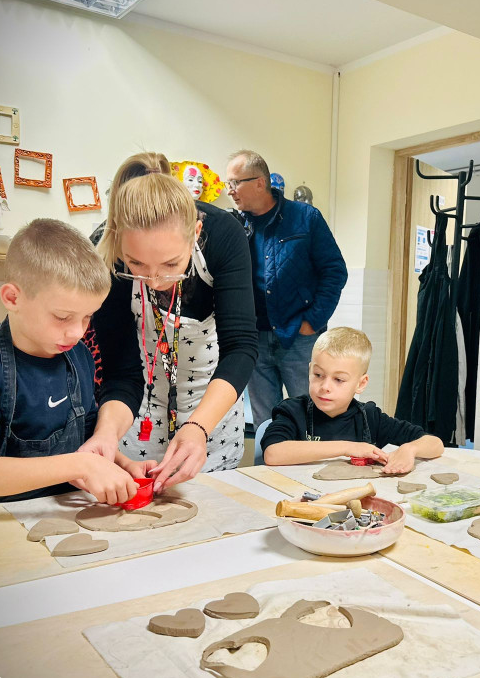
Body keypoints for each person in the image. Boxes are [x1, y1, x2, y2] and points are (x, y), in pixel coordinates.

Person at [0, 219, 142, 510]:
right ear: (13, 298)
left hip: (48, 513)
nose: (78, 332)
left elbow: (87, 438)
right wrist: (82, 466)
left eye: (87, 316)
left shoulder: (78, 355)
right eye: (63, 317)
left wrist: (121, 465)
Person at [81, 153, 257, 489]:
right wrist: (105, 434)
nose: (156, 280)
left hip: (211, 407)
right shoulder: (104, 250)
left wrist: (197, 428)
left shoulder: (224, 235)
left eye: (170, 263)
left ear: (196, 232)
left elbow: (241, 347)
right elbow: (121, 370)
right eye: (136, 264)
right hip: (136, 411)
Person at [225, 149, 347, 431]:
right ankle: (267, 472)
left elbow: (335, 271)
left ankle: (313, 474)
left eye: (235, 183)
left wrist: (312, 322)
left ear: (259, 182)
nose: (230, 191)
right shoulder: (234, 225)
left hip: (299, 337)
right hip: (253, 339)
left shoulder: (305, 218)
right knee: (266, 423)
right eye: (227, 184)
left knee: (312, 419)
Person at [261, 327, 443, 473]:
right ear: (309, 370)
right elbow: (273, 453)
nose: (325, 386)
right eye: (318, 375)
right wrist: (348, 448)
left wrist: (409, 450)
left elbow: (435, 444)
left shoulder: (370, 417)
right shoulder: (293, 411)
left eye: (338, 379)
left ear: (361, 383)